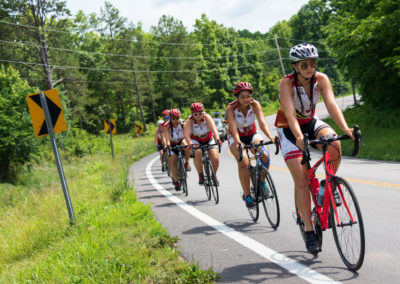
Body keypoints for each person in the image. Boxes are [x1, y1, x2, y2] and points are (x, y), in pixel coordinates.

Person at [275, 42, 355, 254]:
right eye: (304, 65)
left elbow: (331, 104)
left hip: (311, 121)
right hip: (288, 128)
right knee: (301, 178)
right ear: (295, 67)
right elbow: (290, 114)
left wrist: (345, 128)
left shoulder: (322, 79)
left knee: (334, 144)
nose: (310, 68)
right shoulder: (286, 83)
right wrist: (300, 137)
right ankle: (310, 231)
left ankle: (325, 184)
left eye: (312, 64)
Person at [226, 82, 275, 208]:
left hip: (252, 134)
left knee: (264, 155)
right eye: (242, 97)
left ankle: (262, 182)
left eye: (248, 96)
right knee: (244, 162)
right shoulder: (231, 108)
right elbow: (233, 129)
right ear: (237, 97)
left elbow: (262, 123)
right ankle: (247, 195)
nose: (246, 99)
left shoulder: (255, 104)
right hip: (236, 136)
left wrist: (271, 137)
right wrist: (238, 143)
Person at [184, 102, 221, 185]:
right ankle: (200, 174)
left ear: (203, 113)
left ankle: (214, 175)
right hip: (196, 140)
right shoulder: (190, 121)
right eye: (195, 114)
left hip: (208, 138)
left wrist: (217, 138)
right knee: (197, 152)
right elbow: (186, 134)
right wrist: (190, 143)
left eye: (200, 113)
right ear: (192, 114)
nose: (198, 116)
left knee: (215, 157)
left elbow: (214, 129)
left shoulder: (207, 117)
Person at [164, 108, 191, 191]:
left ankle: (186, 162)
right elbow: (167, 137)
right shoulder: (167, 126)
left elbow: (186, 135)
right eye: (173, 119)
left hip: (180, 141)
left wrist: (189, 143)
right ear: (170, 118)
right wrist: (167, 145)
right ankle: (176, 181)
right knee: (172, 162)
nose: (176, 120)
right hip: (172, 144)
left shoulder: (183, 124)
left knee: (187, 146)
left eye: (177, 118)